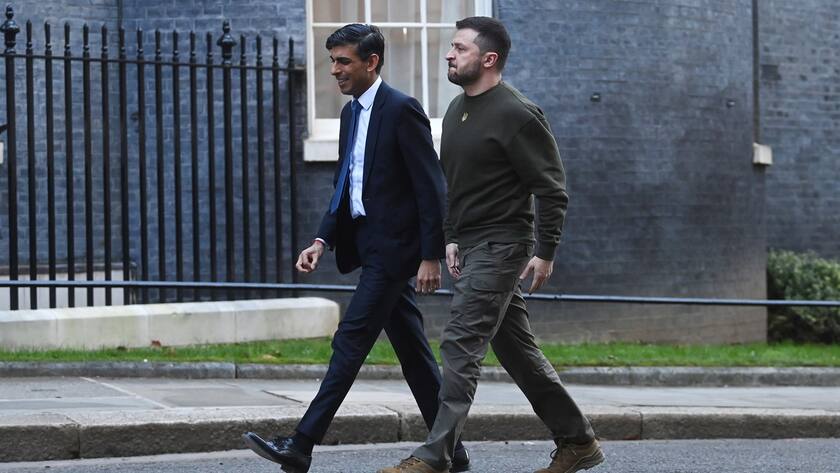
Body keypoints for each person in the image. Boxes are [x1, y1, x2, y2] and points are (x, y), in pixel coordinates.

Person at [377, 16, 604, 473]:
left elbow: (552, 188)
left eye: (459, 48)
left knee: (461, 340)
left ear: (489, 58)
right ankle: (578, 441)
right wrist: (452, 236)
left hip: (504, 246)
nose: (449, 54)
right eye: (452, 48)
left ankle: (435, 455)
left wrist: (546, 250)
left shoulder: (517, 113)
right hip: (473, 244)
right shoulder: (458, 110)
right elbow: (457, 184)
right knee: (517, 351)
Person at [241, 23, 470, 473]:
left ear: (372, 62)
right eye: (333, 61)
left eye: (344, 61)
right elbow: (344, 184)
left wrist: (431, 255)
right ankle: (454, 452)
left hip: (395, 251)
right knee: (415, 356)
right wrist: (321, 240)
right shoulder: (350, 115)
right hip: (368, 245)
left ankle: (301, 445)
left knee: (350, 341)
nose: (334, 71)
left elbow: (430, 188)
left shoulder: (403, 109)